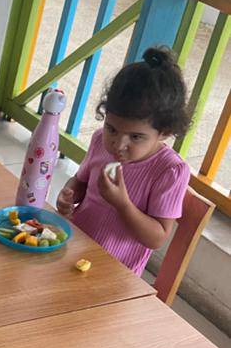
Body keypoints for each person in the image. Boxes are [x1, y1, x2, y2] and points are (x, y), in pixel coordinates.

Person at [56, 47, 191, 275]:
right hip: (72, 247)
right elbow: (80, 182)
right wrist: (68, 196)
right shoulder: (99, 140)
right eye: (112, 129)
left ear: (165, 132)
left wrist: (123, 204)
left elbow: (156, 238)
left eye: (135, 137)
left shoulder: (170, 170)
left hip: (116, 273)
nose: (118, 144)